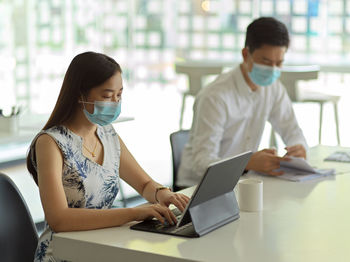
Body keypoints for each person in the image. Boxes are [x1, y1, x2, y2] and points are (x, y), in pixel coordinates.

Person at [26, 52, 190, 262]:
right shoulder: (51, 143)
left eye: (119, 95)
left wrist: (162, 194)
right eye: (107, 96)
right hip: (63, 253)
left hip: (101, 244)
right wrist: (134, 213)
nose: (115, 103)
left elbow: (144, 184)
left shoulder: (107, 134)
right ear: (79, 94)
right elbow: (59, 219)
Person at [177, 17, 308, 187]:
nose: (273, 69)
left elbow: (291, 129)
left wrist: (299, 147)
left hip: (241, 182)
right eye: (266, 61)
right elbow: (201, 163)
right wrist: (248, 163)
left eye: (279, 63)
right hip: (197, 188)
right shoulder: (215, 96)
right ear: (246, 55)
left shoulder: (273, 88)